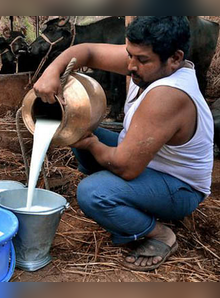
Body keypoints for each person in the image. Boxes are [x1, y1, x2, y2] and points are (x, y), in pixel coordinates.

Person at [33, 16, 213, 271]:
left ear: (175, 58)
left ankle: (159, 234)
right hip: (151, 165)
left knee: (92, 192)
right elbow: (84, 51)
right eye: (129, 54)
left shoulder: (168, 95)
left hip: (179, 187)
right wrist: (51, 71)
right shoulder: (147, 62)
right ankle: (123, 201)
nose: (130, 65)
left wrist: (93, 144)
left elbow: (127, 168)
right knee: (76, 128)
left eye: (141, 60)